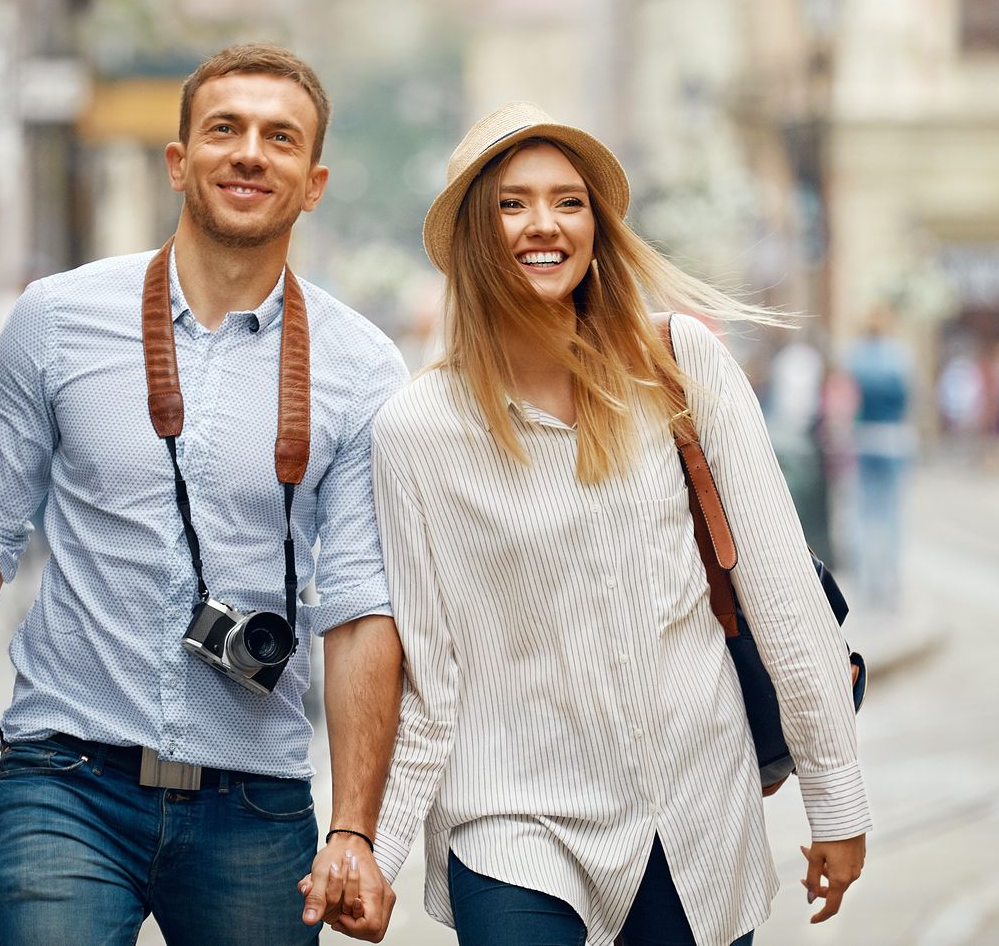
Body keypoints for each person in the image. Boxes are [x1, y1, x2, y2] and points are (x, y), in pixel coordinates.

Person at [0, 43, 406, 945]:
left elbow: (359, 609)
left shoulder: (360, 366)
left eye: (280, 138)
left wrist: (354, 828)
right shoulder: (58, 318)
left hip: (256, 804)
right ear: (178, 161)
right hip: (65, 781)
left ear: (313, 184)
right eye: (224, 129)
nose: (249, 153)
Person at [365, 104, 871, 945]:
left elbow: (782, 594)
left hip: (692, 807)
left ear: (597, 228)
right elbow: (431, 671)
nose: (544, 225)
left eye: (569, 202)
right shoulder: (416, 430)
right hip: (513, 816)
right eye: (511, 203)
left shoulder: (680, 365)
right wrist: (373, 855)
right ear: (472, 237)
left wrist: (836, 797)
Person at [844, 306, 914, 611]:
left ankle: (868, 576)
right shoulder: (899, 356)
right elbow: (911, 397)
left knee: (863, 511)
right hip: (894, 439)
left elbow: (847, 401)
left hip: (863, 439)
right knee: (891, 513)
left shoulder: (855, 357)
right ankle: (890, 576)